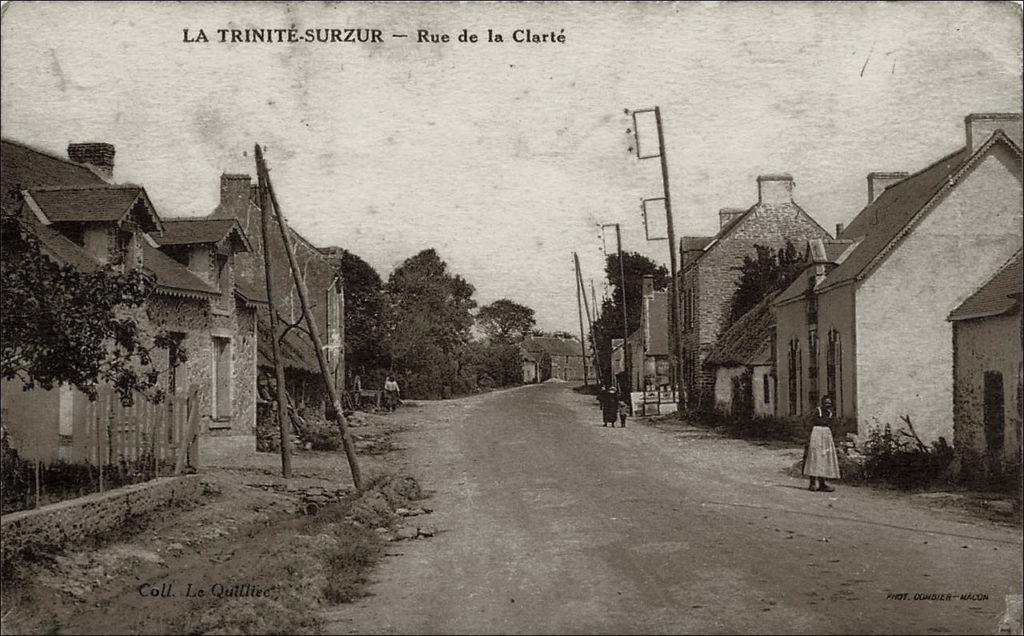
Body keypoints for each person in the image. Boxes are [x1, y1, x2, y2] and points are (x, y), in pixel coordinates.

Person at [803, 395, 840, 492]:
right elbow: (807, 421)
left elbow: (833, 425)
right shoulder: (816, 411)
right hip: (816, 435)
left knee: (824, 458)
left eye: (829, 403)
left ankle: (822, 484)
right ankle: (812, 483)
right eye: (826, 403)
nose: (828, 405)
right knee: (815, 457)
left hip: (826, 436)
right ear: (822, 403)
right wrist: (809, 434)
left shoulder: (830, 413)